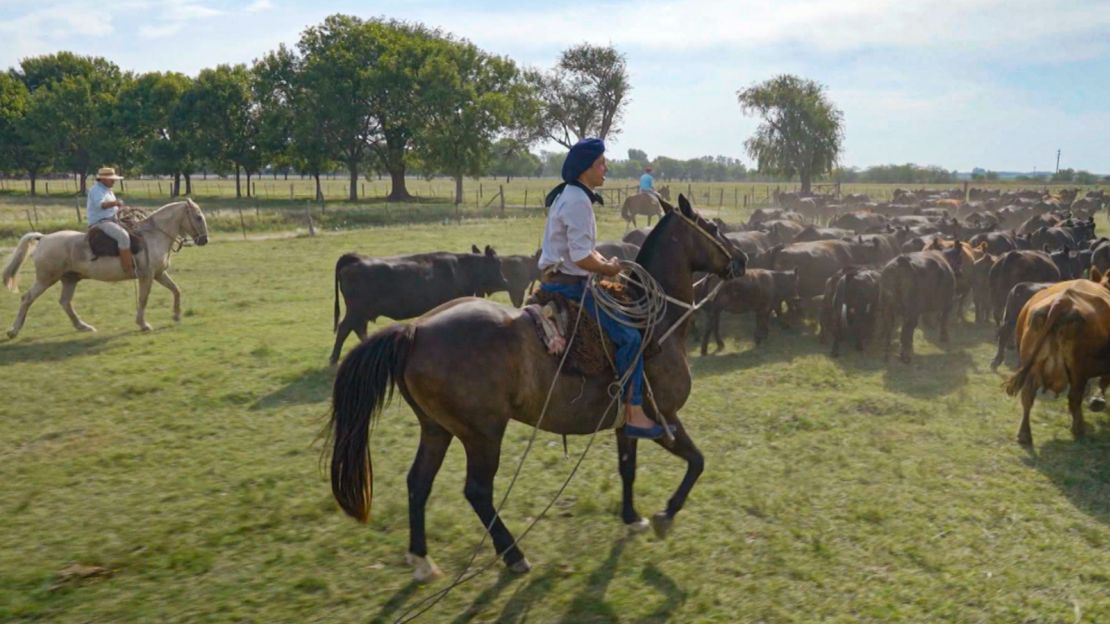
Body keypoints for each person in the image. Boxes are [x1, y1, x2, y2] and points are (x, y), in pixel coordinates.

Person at [538, 138, 671, 439]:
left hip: (565, 276)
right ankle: (634, 412)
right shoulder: (577, 201)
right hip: (570, 286)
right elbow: (582, 257)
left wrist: (607, 263)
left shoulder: (572, 195)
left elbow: (586, 250)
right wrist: (608, 269)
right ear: (587, 169)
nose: (606, 168)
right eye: (601, 164)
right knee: (630, 338)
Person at [87, 166, 135, 276]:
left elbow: (113, 208)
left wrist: (123, 209)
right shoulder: (96, 190)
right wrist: (116, 203)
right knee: (124, 236)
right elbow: (101, 205)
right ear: (103, 179)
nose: (114, 181)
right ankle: (128, 268)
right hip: (100, 222)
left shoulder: (108, 190)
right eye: (112, 179)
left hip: (112, 220)